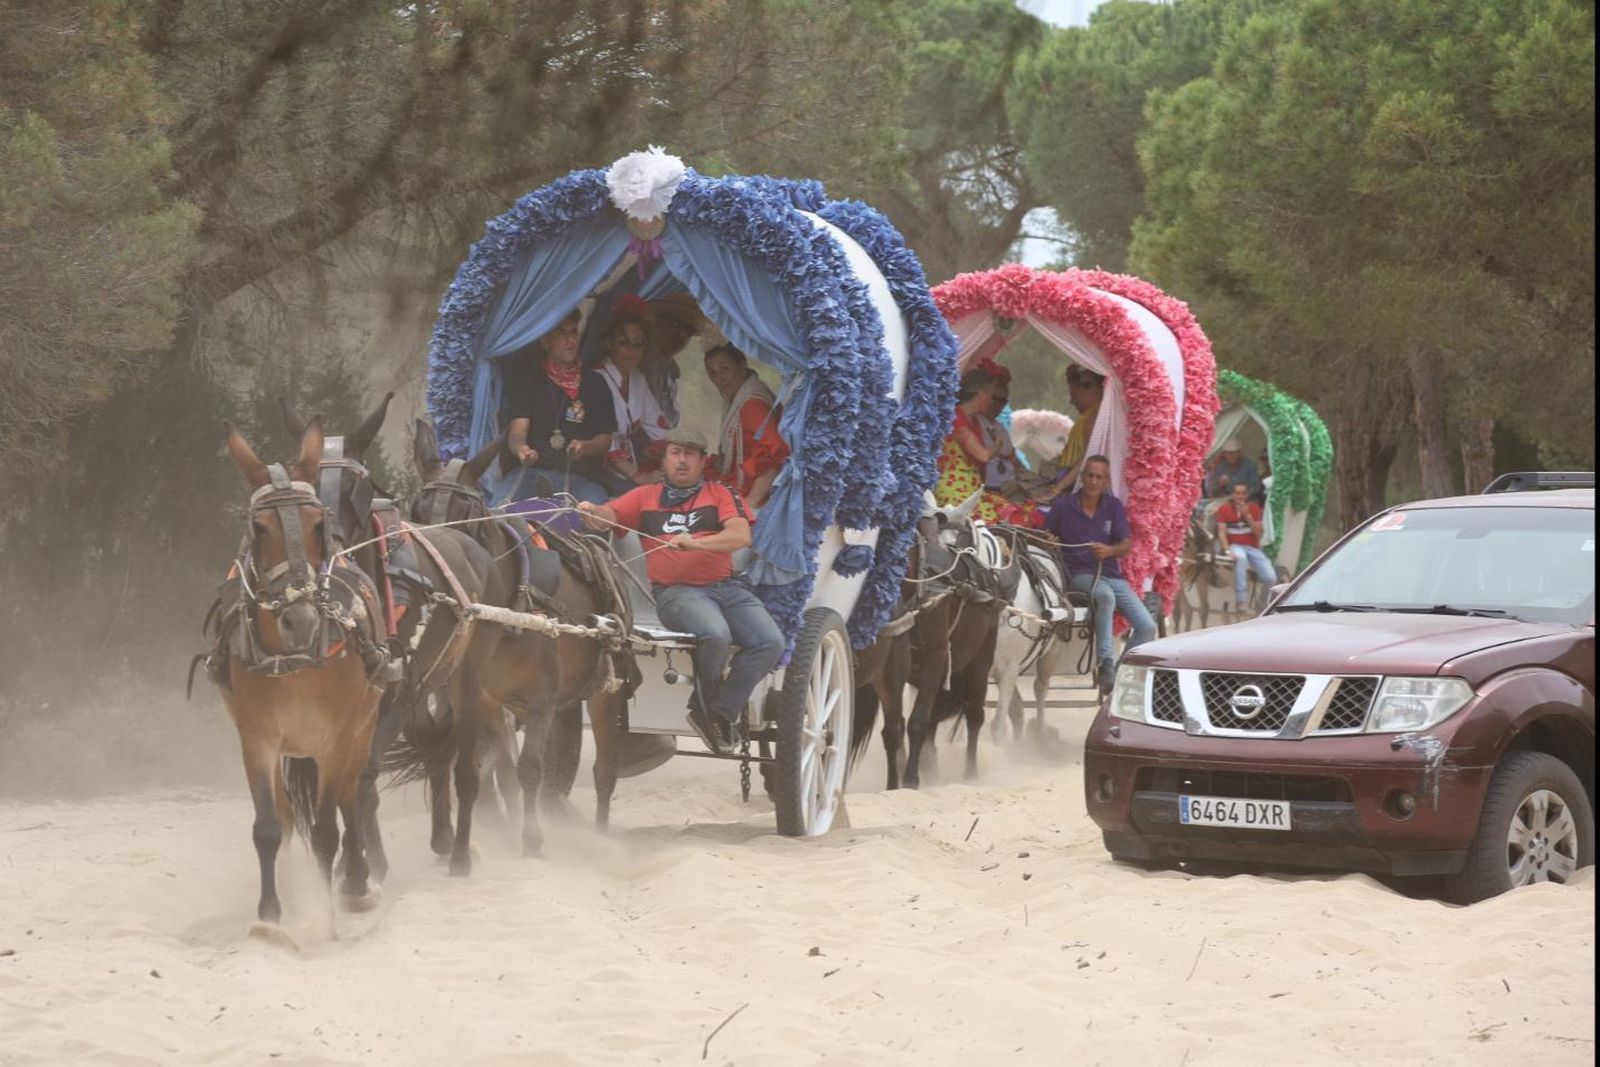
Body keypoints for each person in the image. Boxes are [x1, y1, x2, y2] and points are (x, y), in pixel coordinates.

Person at [576, 428, 785, 754]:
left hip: (727, 589)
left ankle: (715, 712)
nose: (682, 460)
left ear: (703, 462)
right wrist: (592, 512)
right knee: (715, 633)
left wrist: (696, 543)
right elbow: (609, 516)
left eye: (690, 453)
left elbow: (740, 537)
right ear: (665, 459)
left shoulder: (721, 494)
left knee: (770, 642)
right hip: (676, 593)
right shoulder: (645, 496)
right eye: (675, 452)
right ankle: (708, 710)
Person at [1043, 454, 1158, 694]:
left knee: (1147, 626)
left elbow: (1125, 546)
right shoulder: (1064, 506)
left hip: (1111, 574)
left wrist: (1109, 550)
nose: (1093, 481)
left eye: (1099, 477)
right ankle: (1105, 662)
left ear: (1106, 481)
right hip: (1078, 575)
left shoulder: (1113, 506)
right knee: (1105, 597)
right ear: (1082, 477)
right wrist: (1050, 541)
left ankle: (1119, 671)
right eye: (1090, 475)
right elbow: (1044, 536)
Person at [504, 309, 617, 505]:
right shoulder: (529, 381)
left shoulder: (595, 383)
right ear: (545, 341)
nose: (570, 340)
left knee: (597, 522)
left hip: (583, 480)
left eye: (574, 332)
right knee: (497, 513)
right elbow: (517, 432)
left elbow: (604, 440)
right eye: (561, 333)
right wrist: (522, 450)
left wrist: (585, 447)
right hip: (533, 475)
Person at [595, 295, 671, 494]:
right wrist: (639, 477)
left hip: (628, 465)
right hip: (596, 466)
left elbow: (658, 425)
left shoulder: (638, 379)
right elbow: (604, 441)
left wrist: (670, 459)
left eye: (638, 344)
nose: (631, 351)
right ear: (610, 344)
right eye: (623, 342)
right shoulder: (595, 379)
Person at [705, 343, 789, 509]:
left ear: (742, 367)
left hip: (759, 495)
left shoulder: (752, 405)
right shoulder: (738, 401)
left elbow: (774, 454)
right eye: (713, 373)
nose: (720, 378)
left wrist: (750, 502)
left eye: (725, 368)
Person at [934, 361, 1013, 522]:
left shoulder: (974, 421)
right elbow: (983, 455)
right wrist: (997, 447)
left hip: (972, 489)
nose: (992, 402)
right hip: (955, 490)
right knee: (1004, 516)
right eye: (992, 396)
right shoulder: (957, 417)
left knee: (1011, 510)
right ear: (981, 394)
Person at [1038, 364, 1106, 502]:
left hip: (1075, 487)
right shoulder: (1087, 416)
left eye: (1087, 386)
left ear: (1102, 389)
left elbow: (1088, 458)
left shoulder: (1095, 416)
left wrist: (1057, 489)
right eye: (1078, 385)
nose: (1079, 391)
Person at [642, 292, 703, 426]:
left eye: (689, 330)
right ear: (657, 322)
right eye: (675, 323)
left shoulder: (670, 368)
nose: (682, 334)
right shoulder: (641, 359)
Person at [1216, 481, 1277, 608]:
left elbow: (1259, 534)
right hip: (1235, 546)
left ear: (1247, 495)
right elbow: (1221, 532)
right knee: (1241, 558)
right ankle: (1241, 600)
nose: (1240, 496)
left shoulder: (1254, 508)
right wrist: (1227, 551)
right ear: (1232, 495)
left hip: (1253, 548)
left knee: (1271, 577)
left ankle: (1263, 604)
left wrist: (1247, 516)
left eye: (1243, 493)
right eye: (1237, 493)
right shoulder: (1224, 509)